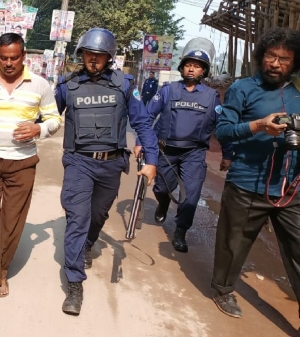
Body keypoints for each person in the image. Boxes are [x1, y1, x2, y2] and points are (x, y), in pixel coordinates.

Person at [54, 28, 158, 315]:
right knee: (78, 217)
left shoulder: (125, 85)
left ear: (109, 57)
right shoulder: (67, 85)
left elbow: (144, 123)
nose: (93, 60)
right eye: (89, 54)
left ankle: (88, 244)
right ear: (82, 55)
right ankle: (75, 284)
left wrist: (151, 160)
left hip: (111, 162)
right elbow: (48, 116)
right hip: (79, 162)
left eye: (99, 56)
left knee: (98, 214)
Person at [211, 27, 300, 319]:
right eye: (271, 56)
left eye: (284, 59)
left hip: (290, 190)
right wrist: (259, 125)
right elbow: (222, 131)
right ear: (261, 56)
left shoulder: (297, 93)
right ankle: (222, 290)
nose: (276, 64)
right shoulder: (242, 89)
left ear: (293, 62)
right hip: (248, 184)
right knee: (233, 245)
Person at [0, 33, 61, 297]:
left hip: (22, 164)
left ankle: (1, 274)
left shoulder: (40, 86)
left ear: (24, 56)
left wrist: (38, 128)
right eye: (4, 58)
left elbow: (55, 120)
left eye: (14, 58)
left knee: (13, 222)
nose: (9, 63)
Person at [134, 38, 233, 252]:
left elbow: (222, 126)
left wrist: (227, 153)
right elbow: (148, 115)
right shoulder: (168, 90)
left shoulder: (211, 96)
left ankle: (181, 231)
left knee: (190, 197)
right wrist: (140, 141)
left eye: (197, 66)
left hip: (193, 154)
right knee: (161, 188)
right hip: (165, 151)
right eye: (188, 64)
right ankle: (163, 202)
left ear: (203, 71)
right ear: (182, 67)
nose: (191, 68)